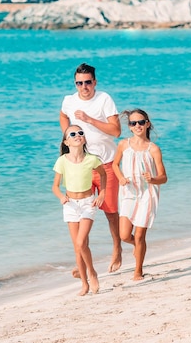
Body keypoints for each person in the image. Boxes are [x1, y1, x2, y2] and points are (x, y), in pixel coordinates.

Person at [60, 63, 122, 273]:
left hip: (106, 164)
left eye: (88, 82)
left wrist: (89, 120)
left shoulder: (104, 99)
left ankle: (117, 249)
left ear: (94, 82)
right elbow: (62, 115)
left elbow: (116, 131)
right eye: (79, 83)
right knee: (79, 214)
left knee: (111, 212)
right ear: (75, 83)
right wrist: (68, 135)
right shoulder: (69, 101)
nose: (84, 86)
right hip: (81, 167)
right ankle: (82, 263)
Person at [112, 109, 167, 281]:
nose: (137, 126)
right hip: (128, 192)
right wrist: (120, 178)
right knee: (124, 235)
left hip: (147, 194)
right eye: (133, 123)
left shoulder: (153, 149)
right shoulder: (123, 145)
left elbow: (163, 177)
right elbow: (115, 164)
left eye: (141, 122)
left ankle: (138, 271)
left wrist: (153, 179)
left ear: (147, 124)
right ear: (129, 127)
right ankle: (138, 246)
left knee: (141, 235)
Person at [52, 125, 105, 296]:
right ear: (66, 142)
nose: (78, 135)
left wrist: (101, 193)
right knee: (78, 247)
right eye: (73, 134)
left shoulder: (92, 159)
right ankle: (84, 284)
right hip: (70, 205)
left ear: (84, 138)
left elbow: (103, 175)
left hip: (88, 203)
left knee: (81, 242)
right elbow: (55, 186)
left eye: (80, 133)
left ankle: (92, 273)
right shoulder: (62, 161)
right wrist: (61, 197)